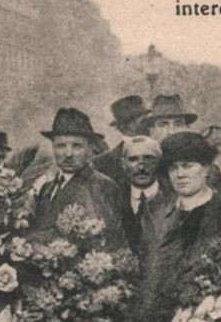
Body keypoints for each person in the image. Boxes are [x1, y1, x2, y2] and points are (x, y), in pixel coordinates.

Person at [135, 131, 221, 322]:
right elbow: (145, 276)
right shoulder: (156, 213)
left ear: (206, 169)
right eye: (173, 168)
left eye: (188, 166)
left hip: (212, 321)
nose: (180, 174)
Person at [27, 108, 127, 247]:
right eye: (61, 146)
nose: (68, 154)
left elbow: (107, 241)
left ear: (90, 149)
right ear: (53, 147)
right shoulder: (47, 188)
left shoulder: (103, 185)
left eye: (76, 146)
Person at [114, 135, 164, 253]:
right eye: (133, 159)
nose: (141, 167)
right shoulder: (114, 199)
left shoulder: (173, 197)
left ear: (160, 162)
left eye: (148, 158)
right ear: (123, 164)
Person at [92, 95, 152, 183]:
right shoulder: (102, 163)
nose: (148, 125)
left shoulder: (159, 152)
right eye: (143, 121)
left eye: (148, 120)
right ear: (125, 126)